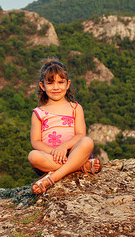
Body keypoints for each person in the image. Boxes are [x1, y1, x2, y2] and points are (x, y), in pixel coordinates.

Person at [28, 59, 101, 194]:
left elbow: (80, 134)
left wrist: (63, 147)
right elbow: (35, 141)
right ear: (42, 86)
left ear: (67, 84)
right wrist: (54, 152)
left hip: (74, 152)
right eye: (50, 83)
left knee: (87, 141)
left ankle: (54, 177)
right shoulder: (38, 113)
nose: (56, 87)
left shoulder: (75, 108)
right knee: (33, 156)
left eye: (60, 82)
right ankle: (79, 166)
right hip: (51, 157)